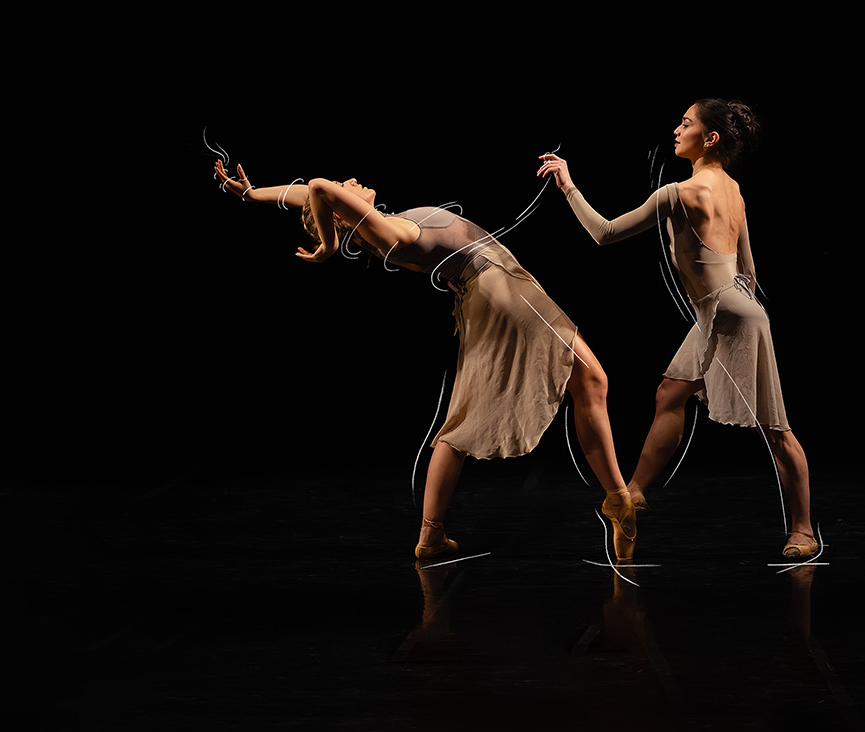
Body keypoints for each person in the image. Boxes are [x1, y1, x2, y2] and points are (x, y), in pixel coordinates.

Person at [213, 160, 637, 562]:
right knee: (591, 380)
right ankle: (617, 499)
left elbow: (311, 194)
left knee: (470, 415)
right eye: (346, 189)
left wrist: (252, 193)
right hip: (502, 291)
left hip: (489, 291)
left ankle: (431, 534)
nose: (350, 181)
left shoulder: (379, 225)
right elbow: (319, 188)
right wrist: (327, 246)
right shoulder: (391, 233)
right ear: (341, 214)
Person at [535, 99, 817, 560]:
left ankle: (803, 530)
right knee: (669, 393)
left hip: (729, 314)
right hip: (726, 309)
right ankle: (634, 492)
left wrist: (567, 185)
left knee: (774, 428)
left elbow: (604, 233)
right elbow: (748, 269)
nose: (677, 130)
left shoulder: (678, 193)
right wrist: (734, 309)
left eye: (686, 124)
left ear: (710, 139)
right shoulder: (733, 189)